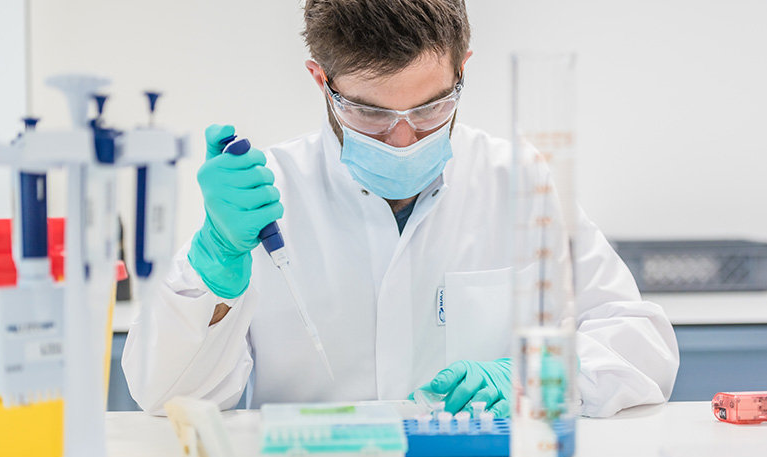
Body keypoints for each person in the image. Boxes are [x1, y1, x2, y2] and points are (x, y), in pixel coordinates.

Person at [122, 0, 679, 419]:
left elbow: (643, 342)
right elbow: (164, 397)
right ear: (323, 81)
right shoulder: (268, 197)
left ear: (463, 68)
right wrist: (216, 264)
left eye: (433, 107)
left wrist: (539, 376)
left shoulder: (522, 183)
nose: (405, 137)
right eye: (371, 115)